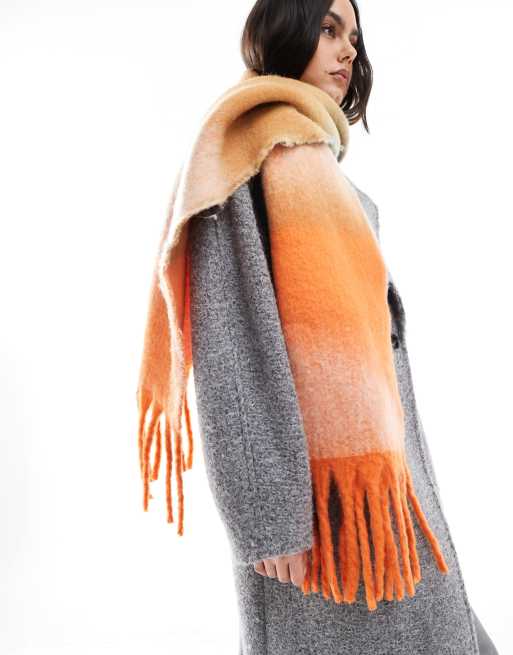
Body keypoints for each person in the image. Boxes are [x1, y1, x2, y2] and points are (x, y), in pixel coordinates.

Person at [141, 0, 500, 653]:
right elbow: (232, 346)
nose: (348, 50)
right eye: (329, 29)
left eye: (354, 36)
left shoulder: (322, 172)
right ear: (288, 30)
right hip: (314, 518)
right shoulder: (239, 155)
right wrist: (266, 517)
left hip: (384, 500)